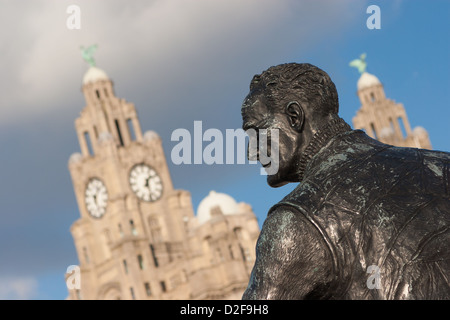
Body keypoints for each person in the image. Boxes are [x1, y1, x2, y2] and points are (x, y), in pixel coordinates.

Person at [241, 63, 450, 299]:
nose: (251, 151)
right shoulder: (443, 165)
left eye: (255, 132)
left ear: (294, 117)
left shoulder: (296, 219)